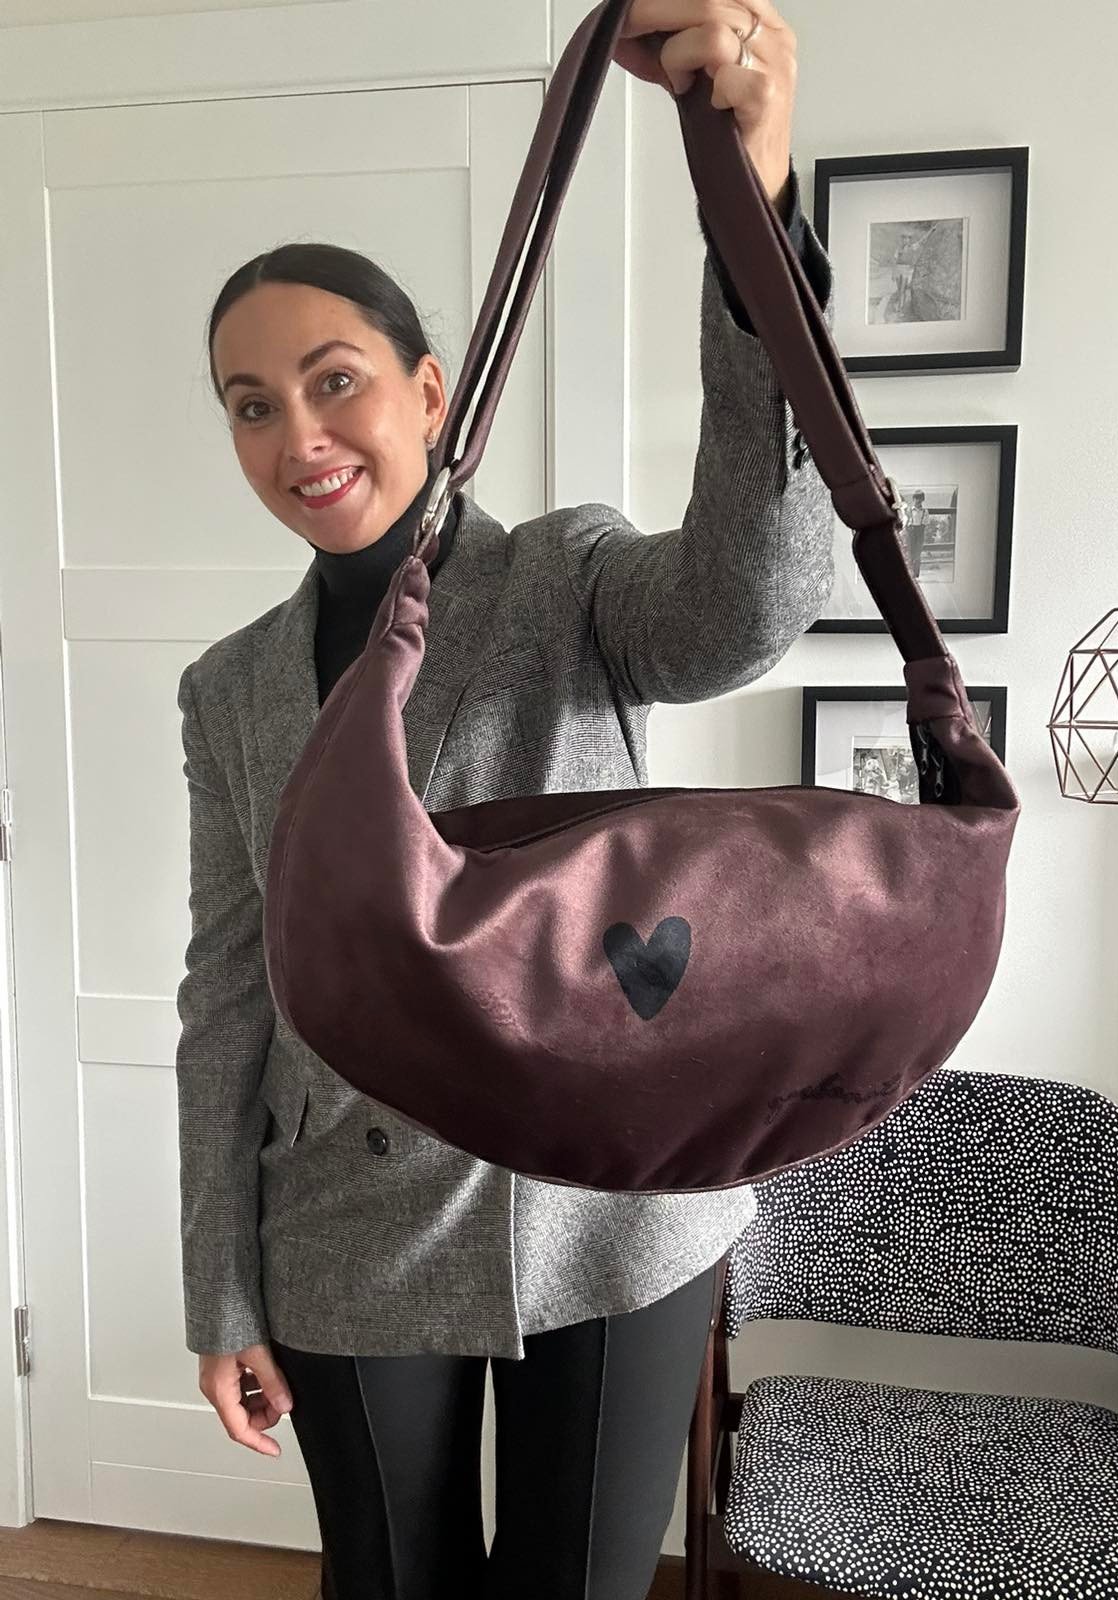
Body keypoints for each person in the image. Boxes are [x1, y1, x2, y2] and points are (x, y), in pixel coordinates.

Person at [175, 3, 836, 1596]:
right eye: (252, 405)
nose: (299, 435)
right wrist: (221, 1290)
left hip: (607, 1208)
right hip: (342, 1220)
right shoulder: (227, 688)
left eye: (334, 382)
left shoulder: (563, 579)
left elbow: (754, 598)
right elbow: (228, 989)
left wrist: (750, 199)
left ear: (426, 383)